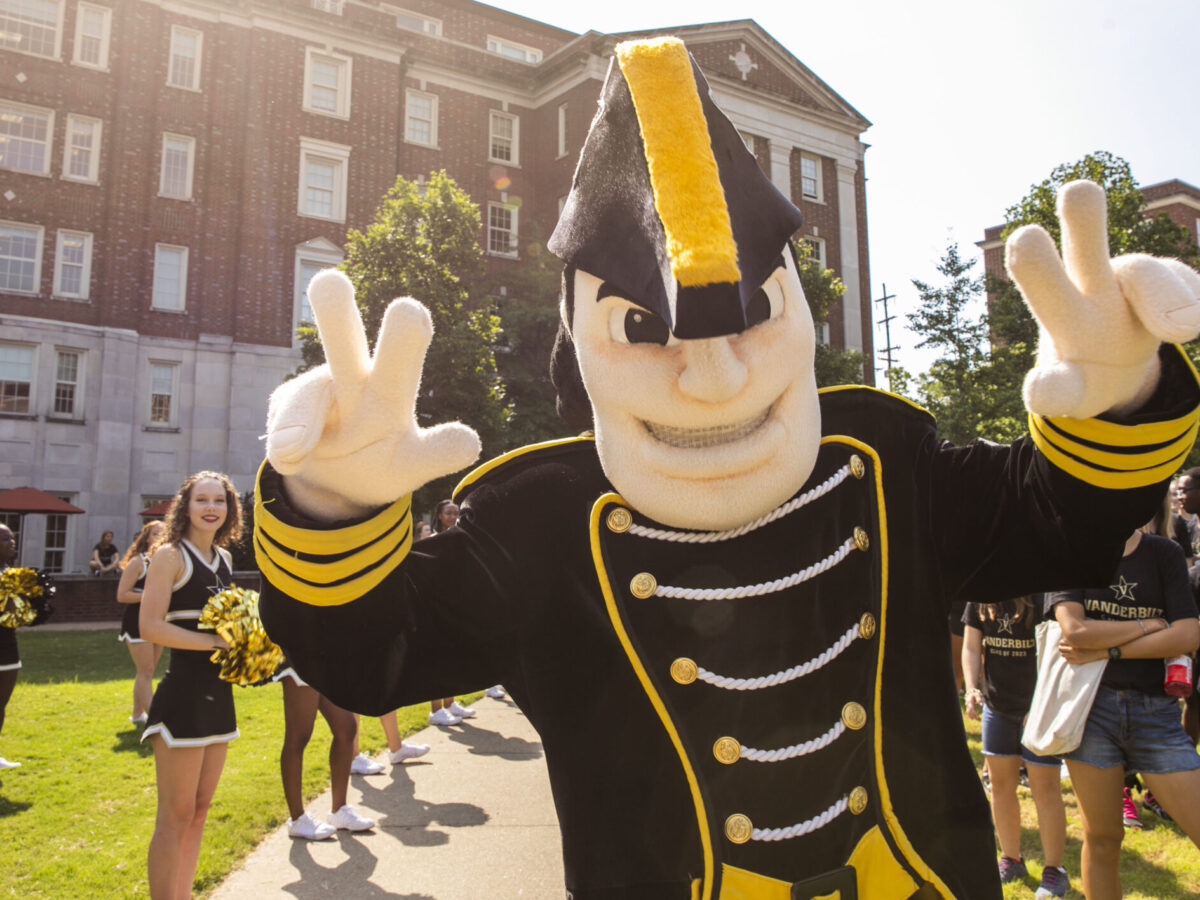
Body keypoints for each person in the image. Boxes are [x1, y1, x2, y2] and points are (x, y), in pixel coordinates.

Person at [253, 37, 1200, 899]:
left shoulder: (885, 467)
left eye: (752, 313)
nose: (714, 376)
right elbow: (371, 655)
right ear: (581, 345)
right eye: (642, 328)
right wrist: (328, 500)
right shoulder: (539, 524)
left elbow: (1063, 522)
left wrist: (1123, 390)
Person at [1048, 518, 1200, 900]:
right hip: (1091, 712)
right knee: (1102, 837)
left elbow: (1187, 635)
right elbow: (1075, 631)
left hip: (1157, 714)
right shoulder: (1073, 550)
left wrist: (1108, 649)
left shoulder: (1164, 553)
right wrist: (1151, 625)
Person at [139, 471, 242, 900]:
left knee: (199, 812)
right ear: (186, 506)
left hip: (219, 696)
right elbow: (149, 626)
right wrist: (214, 642)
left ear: (230, 509)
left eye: (219, 500)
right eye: (202, 500)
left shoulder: (225, 559)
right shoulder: (169, 556)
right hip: (182, 695)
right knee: (175, 815)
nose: (211, 508)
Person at [963, 596, 1068, 897]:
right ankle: (1011, 859)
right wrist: (971, 688)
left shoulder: (1044, 596)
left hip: (1039, 709)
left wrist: (1038, 707)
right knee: (1000, 786)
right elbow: (971, 647)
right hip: (997, 708)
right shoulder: (981, 595)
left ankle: (1055, 870)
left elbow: (1055, 653)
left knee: (1045, 788)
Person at [272, 656, 375, 839]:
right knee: (299, 737)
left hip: (325, 658)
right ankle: (297, 819)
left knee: (346, 728)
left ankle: (339, 810)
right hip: (300, 659)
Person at [426, 500, 476, 727]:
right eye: (448, 513)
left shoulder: (459, 537)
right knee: (437, 660)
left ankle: (450, 702)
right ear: (439, 515)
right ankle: (436, 709)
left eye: (456, 513)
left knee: (453, 658)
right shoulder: (433, 540)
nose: (453, 517)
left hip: (455, 605)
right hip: (436, 606)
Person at [117, 520, 166, 726]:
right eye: (156, 534)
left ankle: (137, 714)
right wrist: (149, 596)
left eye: (164, 534)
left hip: (159, 620)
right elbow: (122, 595)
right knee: (145, 669)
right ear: (146, 538)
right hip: (137, 620)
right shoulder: (138, 562)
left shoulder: (167, 561)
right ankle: (155, 719)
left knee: (149, 670)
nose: (160, 538)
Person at [0, 523, 20, 769]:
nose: (11, 542)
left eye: (12, 538)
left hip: (8, 646)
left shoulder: (12, 573)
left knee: (1, 703)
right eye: (5, 538)